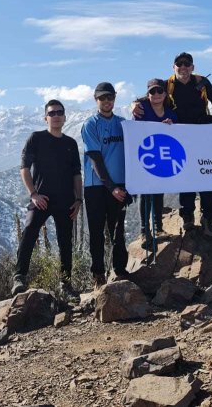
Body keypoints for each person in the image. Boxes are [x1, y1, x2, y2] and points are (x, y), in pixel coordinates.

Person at [133, 52, 212, 237]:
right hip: (180, 136)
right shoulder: (167, 84)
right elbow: (150, 95)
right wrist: (134, 103)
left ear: (192, 67)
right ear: (173, 67)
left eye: (187, 64)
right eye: (179, 64)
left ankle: (209, 218)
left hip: (201, 134)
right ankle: (187, 215)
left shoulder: (202, 82)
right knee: (186, 176)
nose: (183, 67)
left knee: (207, 174)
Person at [12, 100, 83, 297]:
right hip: (41, 199)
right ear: (46, 118)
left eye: (59, 112)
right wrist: (33, 194)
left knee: (65, 241)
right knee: (29, 231)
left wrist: (79, 200)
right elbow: (24, 168)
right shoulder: (36, 138)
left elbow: (76, 174)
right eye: (52, 113)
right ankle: (19, 277)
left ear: (65, 117)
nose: (56, 116)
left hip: (66, 200)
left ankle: (65, 284)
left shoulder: (71, 143)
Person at [81, 82, 131, 287]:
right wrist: (112, 187)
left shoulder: (123, 124)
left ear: (114, 98)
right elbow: (95, 158)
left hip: (119, 184)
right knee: (97, 232)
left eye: (110, 97)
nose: (106, 101)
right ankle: (98, 274)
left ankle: (120, 270)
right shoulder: (90, 124)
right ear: (96, 100)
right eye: (102, 98)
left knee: (117, 231)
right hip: (96, 186)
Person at [133, 78, 177, 249]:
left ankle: (158, 227)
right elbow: (135, 131)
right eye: (152, 91)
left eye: (160, 91)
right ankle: (144, 230)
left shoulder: (171, 113)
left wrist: (170, 127)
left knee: (159, 192)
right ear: (148, 94)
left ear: (165, 94)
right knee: (145, 193)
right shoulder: (141, 110)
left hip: (163, 157)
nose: (156, 94)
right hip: (145, 157)